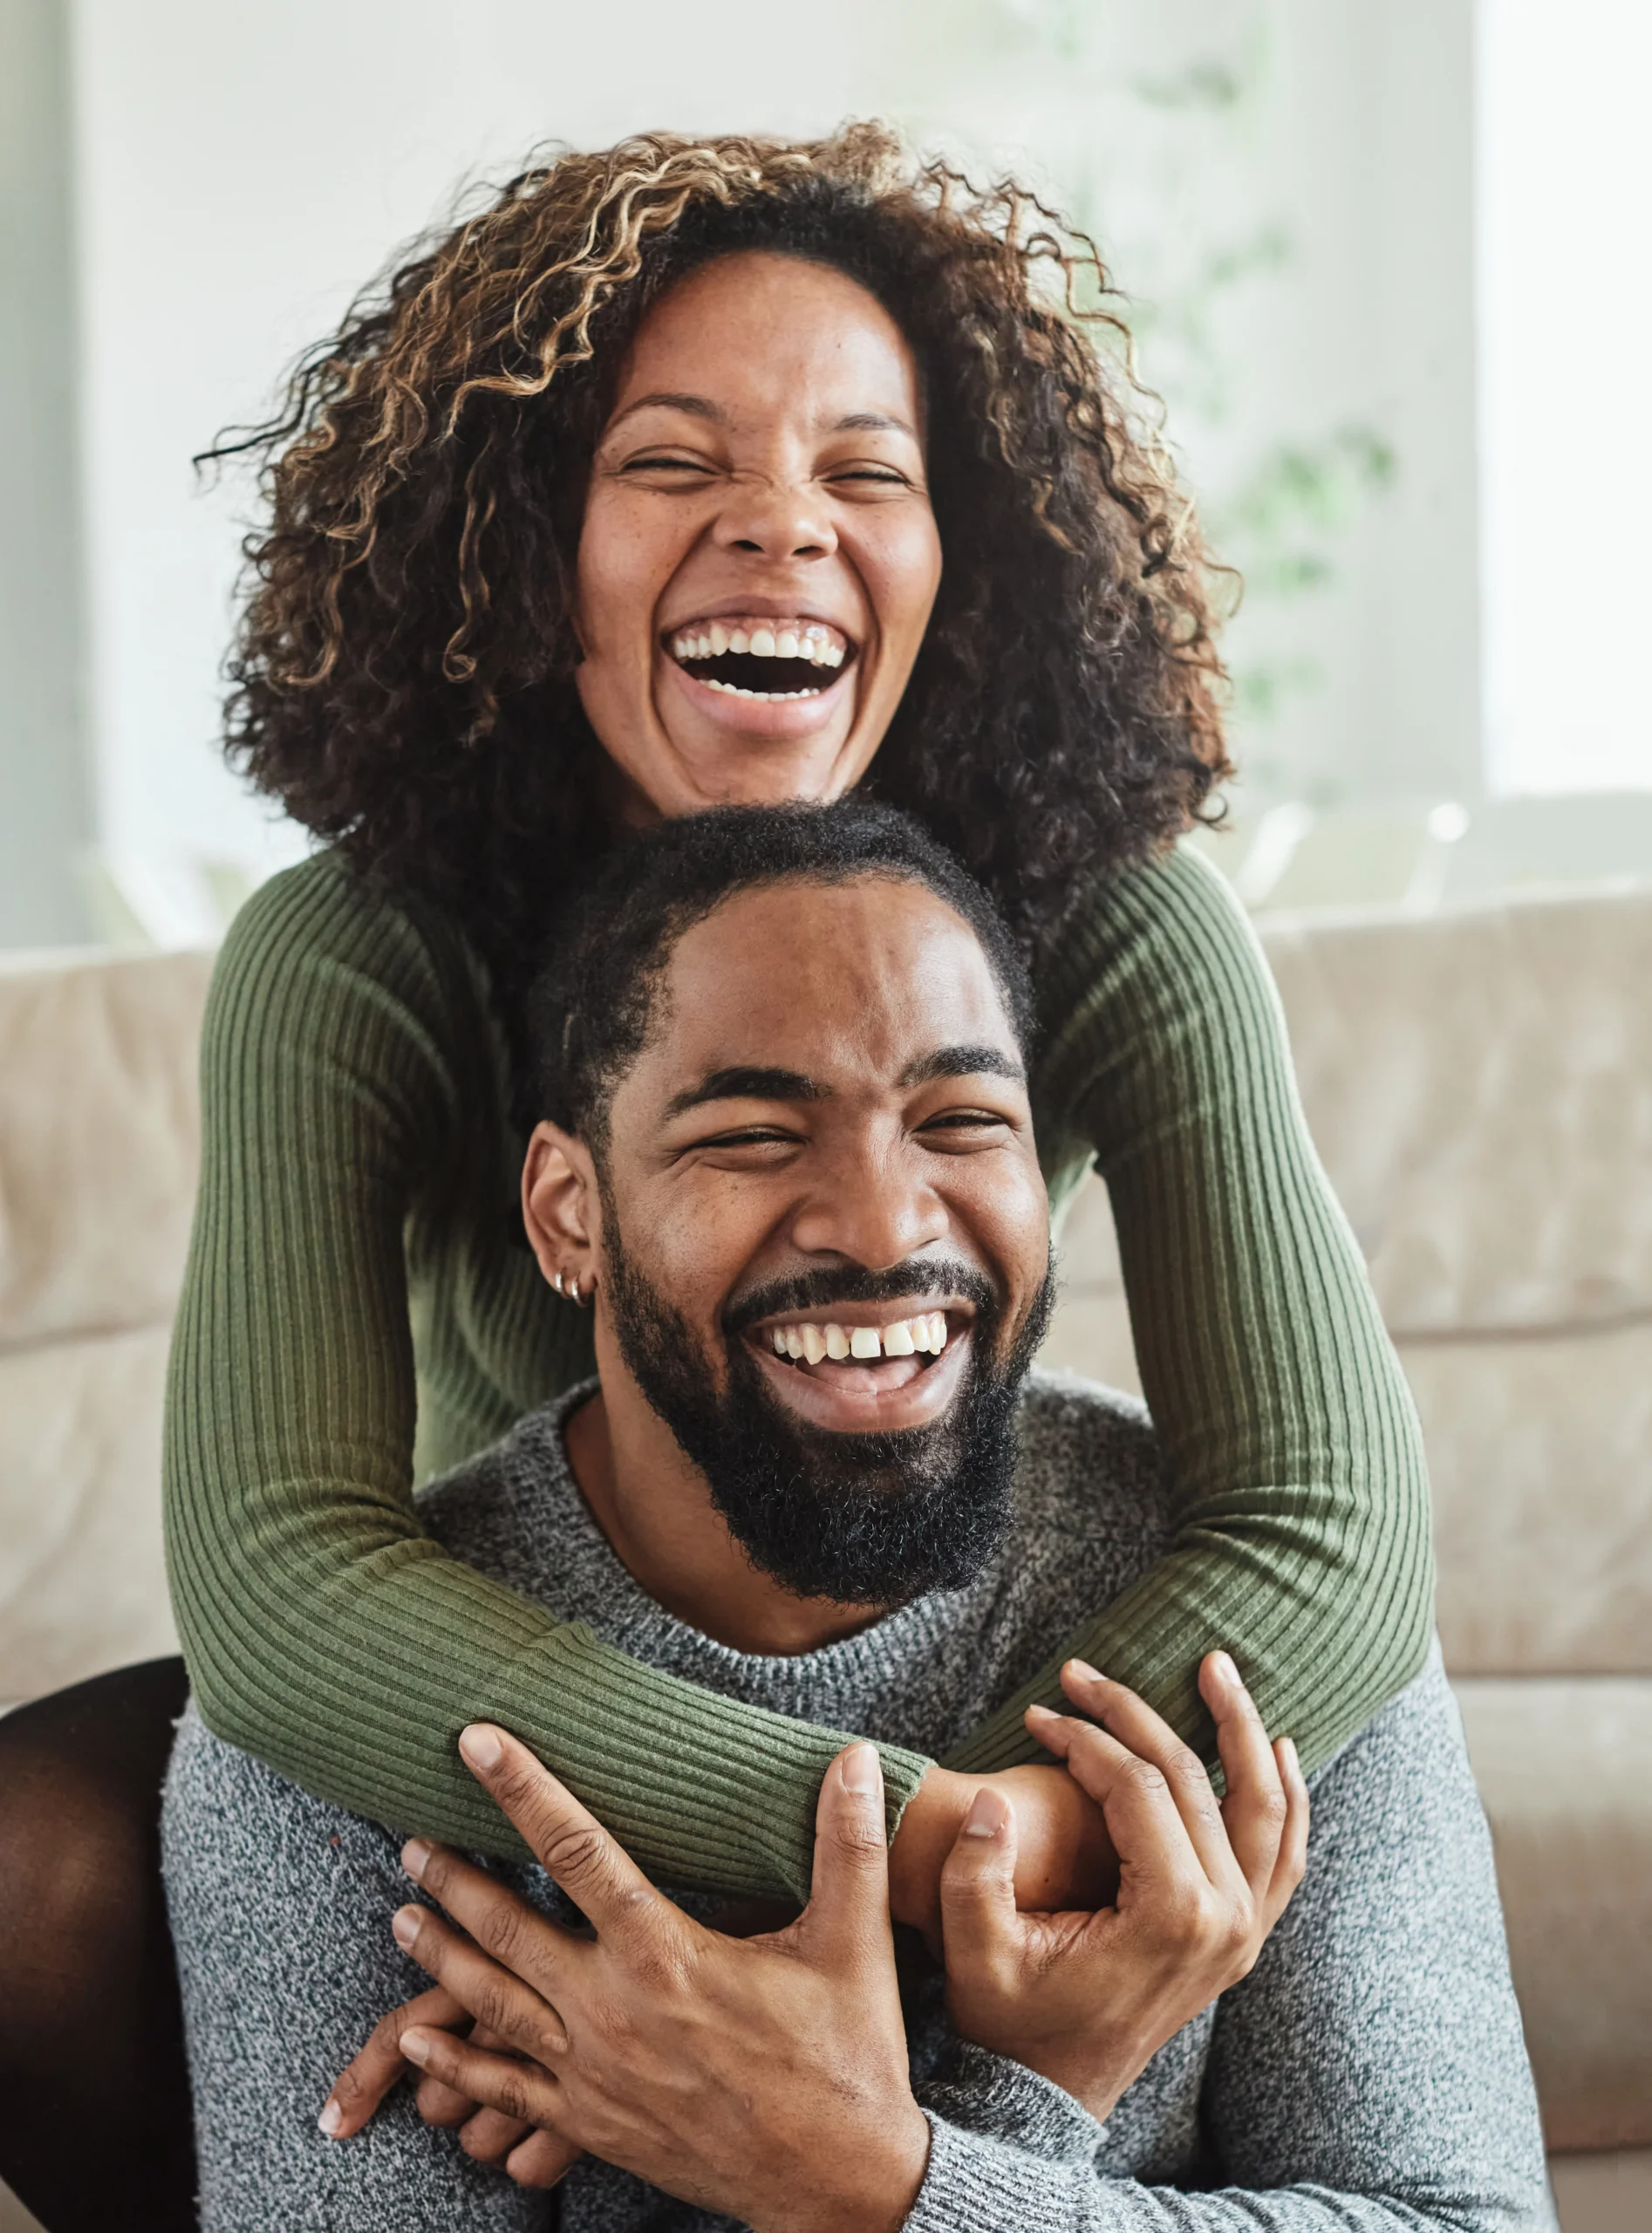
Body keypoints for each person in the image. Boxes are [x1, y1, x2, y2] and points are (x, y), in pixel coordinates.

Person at [0, 124, 1434, 2223]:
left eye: (866, 472)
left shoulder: (1112, 917)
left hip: (919, 1665)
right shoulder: (357, 953)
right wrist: (898, 1847)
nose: (781, 521)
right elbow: (289, 1594)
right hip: (513, 1693)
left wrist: (971, 1850)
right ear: (526, 550)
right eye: (675, 463)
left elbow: (1331, 1527)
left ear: (963, 559)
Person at [162, 802, 1546, 2230]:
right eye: (754, 1134)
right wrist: (1010, 2093)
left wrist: (873, 2168)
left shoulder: (1234, 1620)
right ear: (569, 1209)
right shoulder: (346, 1750)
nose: (886, 1228)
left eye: (962, 1123)